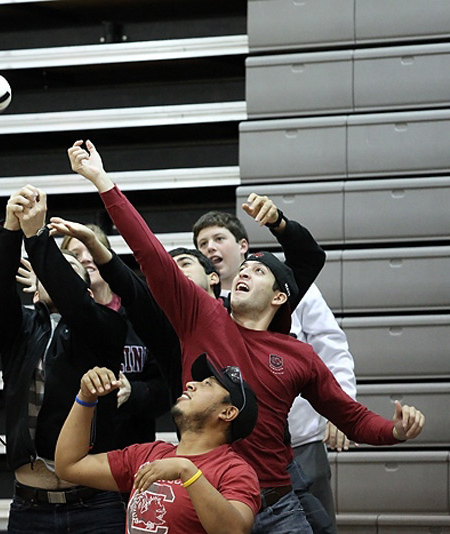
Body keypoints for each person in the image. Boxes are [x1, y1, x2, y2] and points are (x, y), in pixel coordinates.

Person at [67, 139, 426, 534]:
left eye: (257, 271)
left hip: (276, 506)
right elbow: (150, 253)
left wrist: (395, 431)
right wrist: (101, 180)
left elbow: (351, 417)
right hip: (208, 502)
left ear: (279, 297)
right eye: (244, 269)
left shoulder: (299, 355)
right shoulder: (202, 315)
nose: (243, 273)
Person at [194, 206, 357, 533]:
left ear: (243, 246)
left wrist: (343, 405)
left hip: (301, 437)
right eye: (202, 244)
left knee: (317, 524)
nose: (210, 248)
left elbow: (330, 344)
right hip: (236, 449)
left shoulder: (288, 286)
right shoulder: (208, 310)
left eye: (219, 239)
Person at [0, 185, 127, 533]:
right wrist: (10, 230)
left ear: (87, 290)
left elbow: (76, 304)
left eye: (67, 267)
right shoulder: (21, 328)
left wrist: (38, 237)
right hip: (30, 507)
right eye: (50, 269)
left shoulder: (105, 324)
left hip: (96, 504)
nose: (54, 274)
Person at [55, 356, 261, 534]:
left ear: (227, 412)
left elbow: (235, 530)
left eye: (207, 384)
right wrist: (86, 397)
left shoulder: (235, 471)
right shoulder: (150, 453)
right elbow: (69, 466)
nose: (191, 384)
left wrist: (187, 472)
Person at [59, 226, 172, 449]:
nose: (86, 259)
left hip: (134, 448)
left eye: (91, 249)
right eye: (76, 254)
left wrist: (134, 392)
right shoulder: (60, 321)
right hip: (77, 449)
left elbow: (167, 388)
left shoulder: (139, 315)